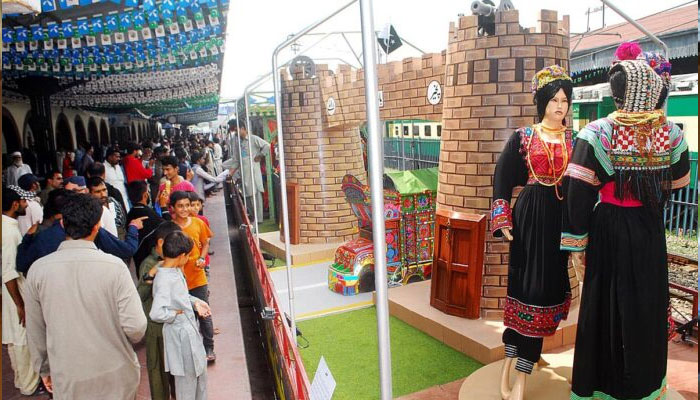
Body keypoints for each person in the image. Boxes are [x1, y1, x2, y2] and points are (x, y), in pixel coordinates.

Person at [564, 53, 690, 399]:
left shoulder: (597, 133)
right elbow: (678, 181)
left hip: (608, 228)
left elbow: (578, 195)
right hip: (648, 230)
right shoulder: (672, 134)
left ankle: (602, 385)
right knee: (645, 306)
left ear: (618, 93)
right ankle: (644, 386)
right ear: (650, 90)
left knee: (604, 305)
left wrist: (577, 245)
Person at [490, 65, 573, 399]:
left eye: (565, 100)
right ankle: (519, 363)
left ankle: (523, 358)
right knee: (528, 288)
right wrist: (502, 218)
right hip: (530, 215)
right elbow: (502, 177)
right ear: (542, 102)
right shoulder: (524, 137)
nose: (560, 106)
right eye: (553, 99)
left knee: (549, 286)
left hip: (560, 219)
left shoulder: (575, 139)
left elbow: (582, 182)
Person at [23, 193, 147, 398]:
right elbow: (136, 327)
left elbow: (35, 331)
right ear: (97, 226)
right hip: (117, 372)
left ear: (62, 223)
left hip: (68, 376)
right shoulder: (115, 267)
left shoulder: (38, 271)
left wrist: (44, 369)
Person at [16, 189, 143, 275]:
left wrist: (27, 237)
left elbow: (21, 265)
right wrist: (133, 227)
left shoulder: (42, 238)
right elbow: (127, 249)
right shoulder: (90, 229)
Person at [150, 231, 211, 400]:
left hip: (188, 331)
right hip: (180, 335)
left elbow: (181, 296)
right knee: (186, 385)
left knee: (200, 376)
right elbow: (156, 313)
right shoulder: (164, 279)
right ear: (182, 256)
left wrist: (196, 302)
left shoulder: (174, 271)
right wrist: (174, 314)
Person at [2, 186, 42, 396]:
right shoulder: (8, 231)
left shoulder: (8, 226)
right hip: (14, 293)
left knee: (16, 339)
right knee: (21, 339)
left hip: (13, 293)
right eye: (23, 201)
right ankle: (28, 385)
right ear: (15, 204)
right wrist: (20, 304)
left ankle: (22, 381)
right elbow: (8, 272)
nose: (26, 205)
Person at [169, 190, 216, 361]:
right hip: (179, 280)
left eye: (187, 205)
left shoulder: (198, 223)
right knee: (187, 316)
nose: (184, 209)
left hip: (197, 276)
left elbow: (205, 242)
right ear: (172, 208)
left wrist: (202, 258)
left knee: (204, 313)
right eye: (180, 206)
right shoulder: (169, 228)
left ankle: (209, 348)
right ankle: (193, 349)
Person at [137, 221, 182, 400]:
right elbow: (139, 295)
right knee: (158, 377)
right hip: (156, 329)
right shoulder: (149, 265)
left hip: (174, 327)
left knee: (178, 376)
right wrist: (151, 276)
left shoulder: (174, 261)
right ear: (162, 242)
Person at [224, 119, 270, 224]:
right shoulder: (237, 143)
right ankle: (254, 218)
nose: (236, 133)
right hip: (244, 175)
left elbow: (266, 145)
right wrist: (230, 173)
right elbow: (236, 160)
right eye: (234, 131)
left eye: (237, 130)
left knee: (256, 198)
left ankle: (259, 221)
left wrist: (260, 155)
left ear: (243, 128)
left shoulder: (253, 139)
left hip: (253, 174)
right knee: (247, 198)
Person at [127, 180, 165, 270]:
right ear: (145, 195)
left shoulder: (130, 214)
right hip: (152, 264)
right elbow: (168, 228)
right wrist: (163, 207)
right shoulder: (149, 214)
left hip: (138, 262)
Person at [104, 147, 131, 212]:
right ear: (110, 157)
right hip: (113, 200)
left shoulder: (119, 167)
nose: (119, 159)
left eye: (119, 157)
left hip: (125, 199)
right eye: (116, 157)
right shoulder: (103, 167)